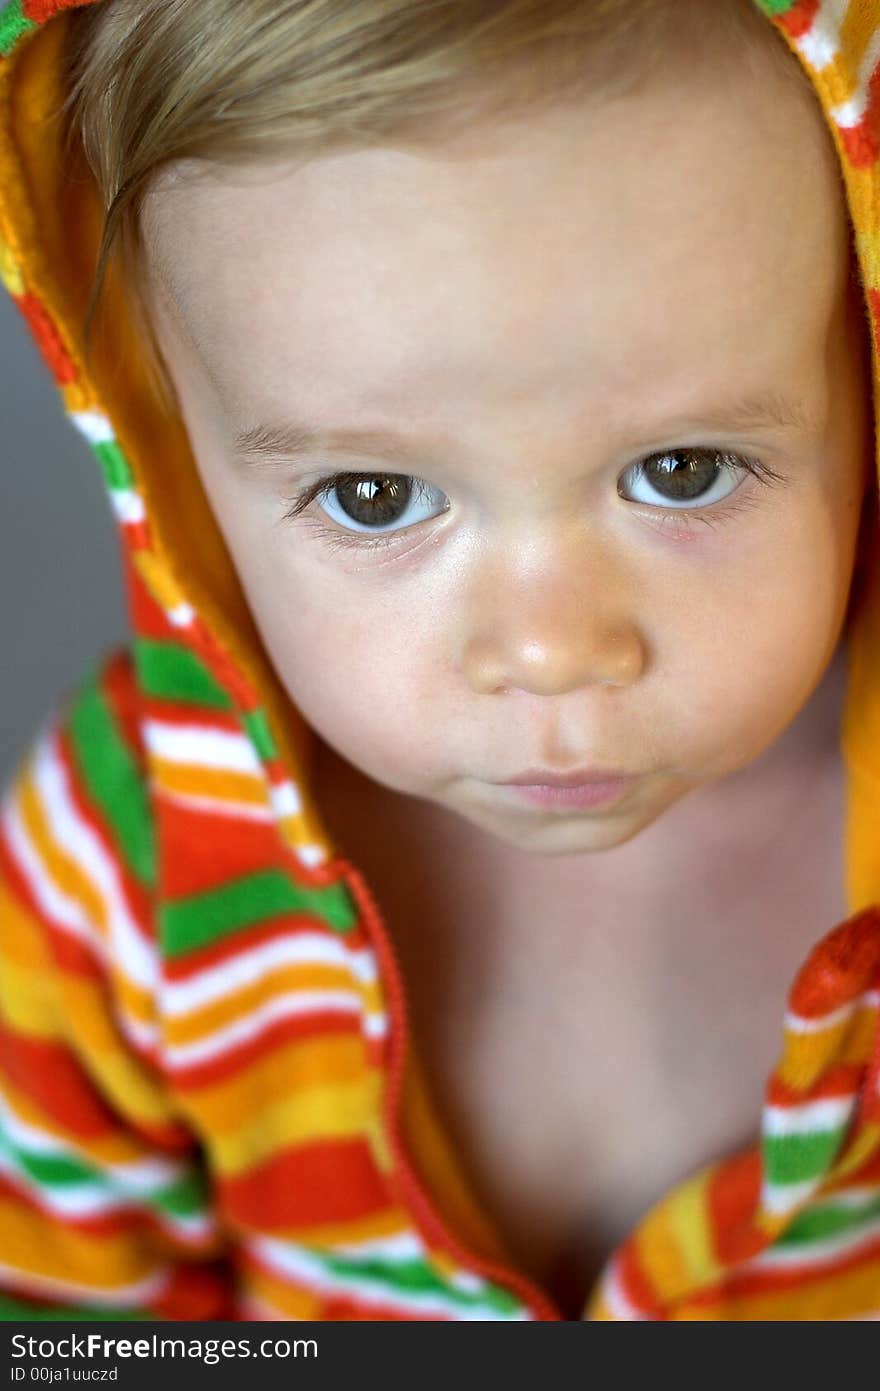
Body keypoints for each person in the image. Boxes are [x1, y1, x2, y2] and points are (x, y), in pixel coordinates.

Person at [0, 0, 879, 1322]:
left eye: (681, 471)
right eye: (372, 497)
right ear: (174, 450)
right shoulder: (119, 871)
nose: (549, 650)